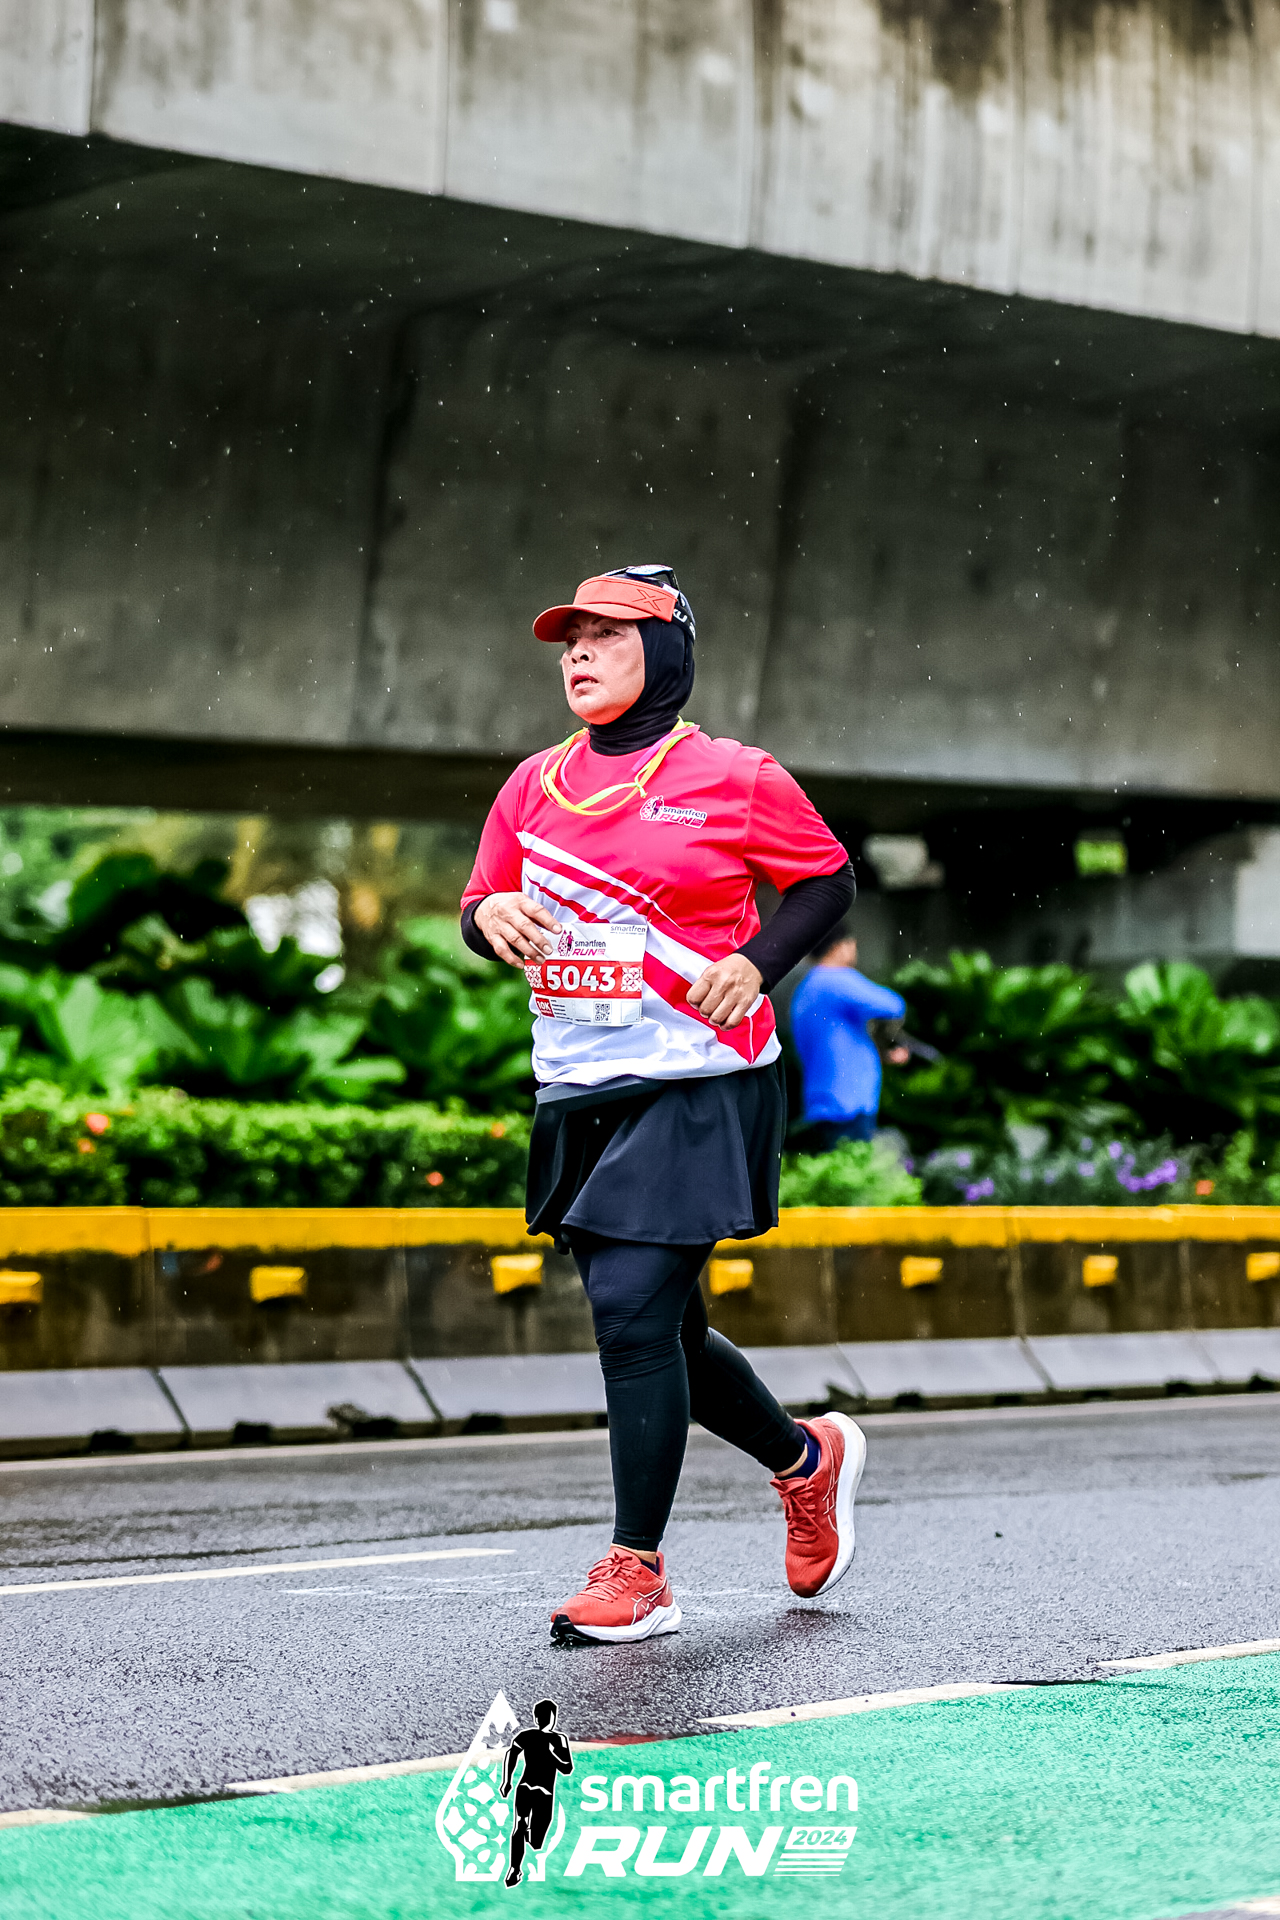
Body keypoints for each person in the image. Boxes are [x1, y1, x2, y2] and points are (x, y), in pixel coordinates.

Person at [460, 563, 866, 1646]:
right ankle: (806, 1460)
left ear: (668, 650)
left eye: (606, 635)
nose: (579, 654)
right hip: (579, 1082)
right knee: (666, 1329)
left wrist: (756, 962)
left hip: (701, 1077)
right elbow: (480, 901)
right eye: (570, 639)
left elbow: (826, 881)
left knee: (631, 1311)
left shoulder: (734, 775)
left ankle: (636, 1570)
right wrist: (488, 917)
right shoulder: (532, 786)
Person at [789, 925, 908, 1150]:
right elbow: (893, 1005)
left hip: (821, 1102)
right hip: (848, 1105)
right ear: (838, 946)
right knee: (854, 1165)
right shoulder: (835, 980)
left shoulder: (806, 989)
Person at [500, 1699, 573, 1887]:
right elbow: (511, 1754)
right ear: (538, 1718)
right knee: (520, 1824)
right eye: (545, 1716)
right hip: (530, 1788)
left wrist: (550, 1754)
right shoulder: (529, 1736)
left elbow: (567, 1768)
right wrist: (507, 1780)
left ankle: (525, 1837)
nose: (547, 1719)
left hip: (539, 1792)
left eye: (548, 1716)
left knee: (536, 1841)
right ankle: (514, 1868)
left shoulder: (558, 1739)